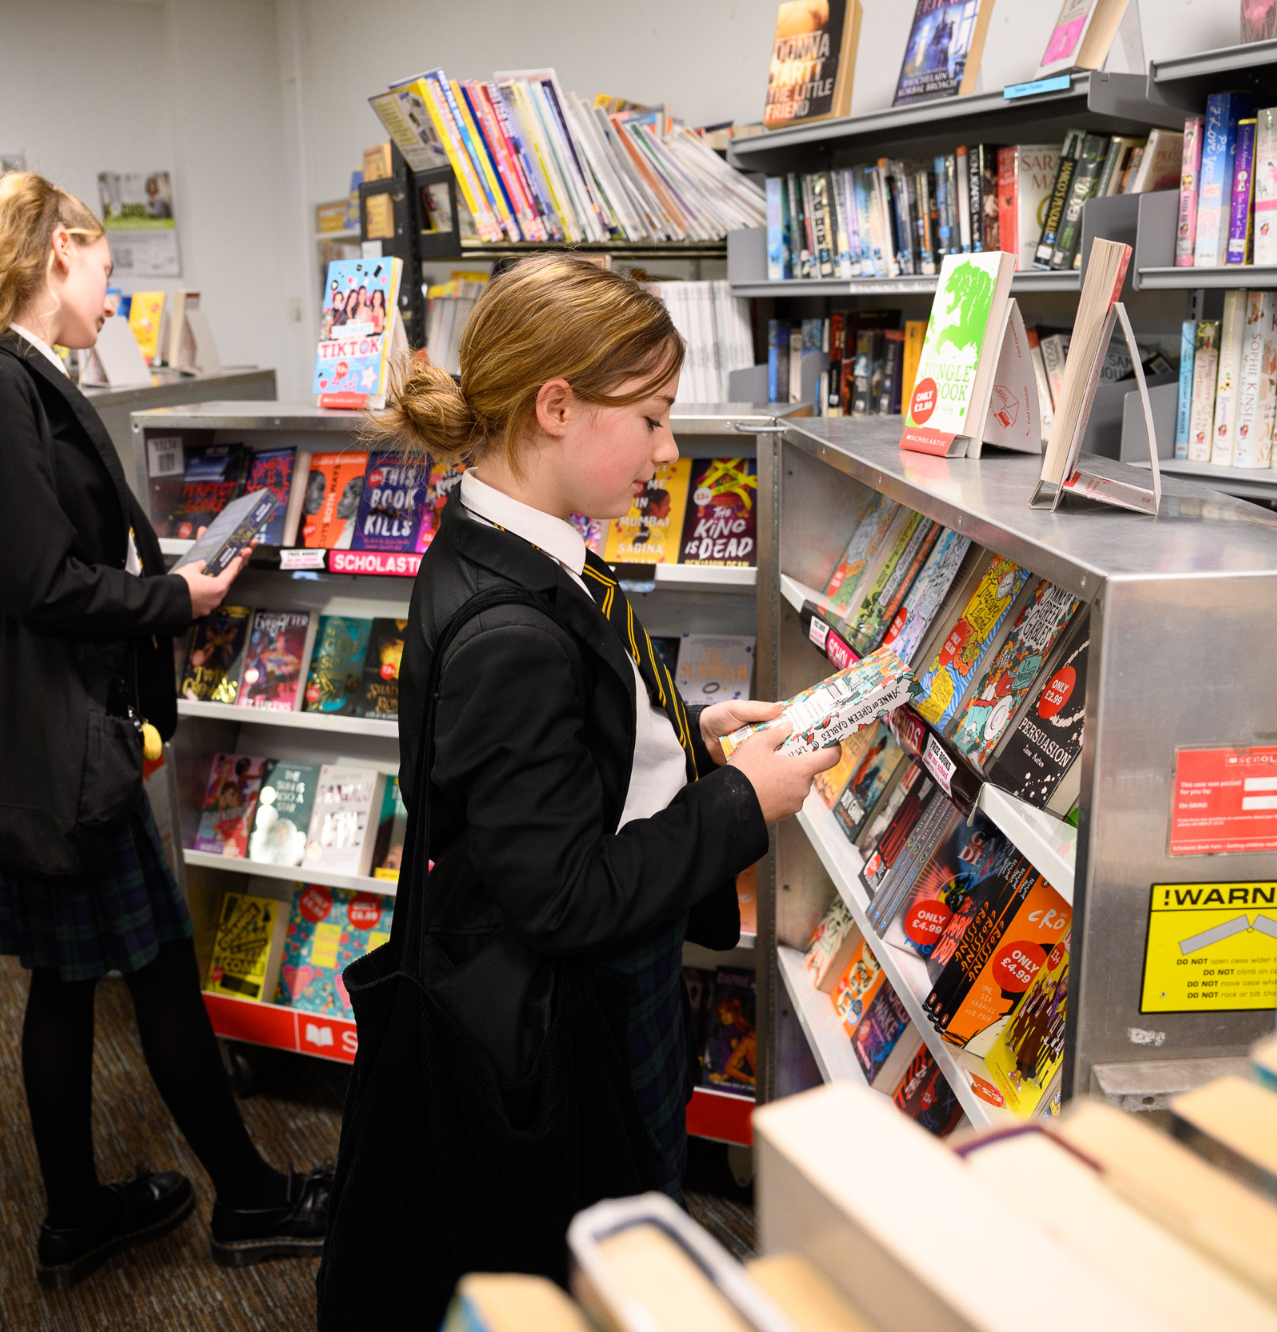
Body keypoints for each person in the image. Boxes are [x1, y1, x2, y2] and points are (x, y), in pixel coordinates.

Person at [324, 255, 838, 1317]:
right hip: (571, 1017)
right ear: (555, 407)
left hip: (583, 989)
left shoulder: (499, 544)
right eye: (651, 417)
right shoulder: (511, 627)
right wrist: (740, 802)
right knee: (614, 1236)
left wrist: (684, 742)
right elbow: (562, 896)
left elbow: (556, 753)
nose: (668, 448)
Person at [0, 172, 326, 1290]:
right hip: (59, 744)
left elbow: (41, 554)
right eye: (106, 274)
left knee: (66, 977)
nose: (114, 301)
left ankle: (77, 1215)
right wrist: (172, 599)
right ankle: (246, 1197)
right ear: (59, 254)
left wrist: (160, 575)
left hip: (46, 736)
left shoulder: (8, 378)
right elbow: (37, 580)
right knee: (155, 965)